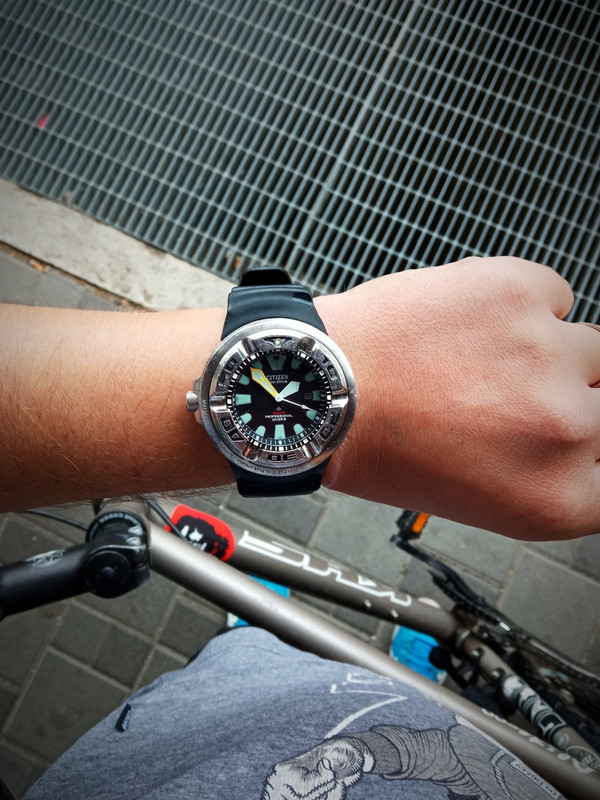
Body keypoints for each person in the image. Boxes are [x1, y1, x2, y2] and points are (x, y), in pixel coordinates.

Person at [1, 256, 599, 800]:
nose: (280, 401)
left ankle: (260, 649)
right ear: (199, 403)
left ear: (201, 402)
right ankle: (392, 685)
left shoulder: (242, 401)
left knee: (253, 671)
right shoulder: (237, 404)